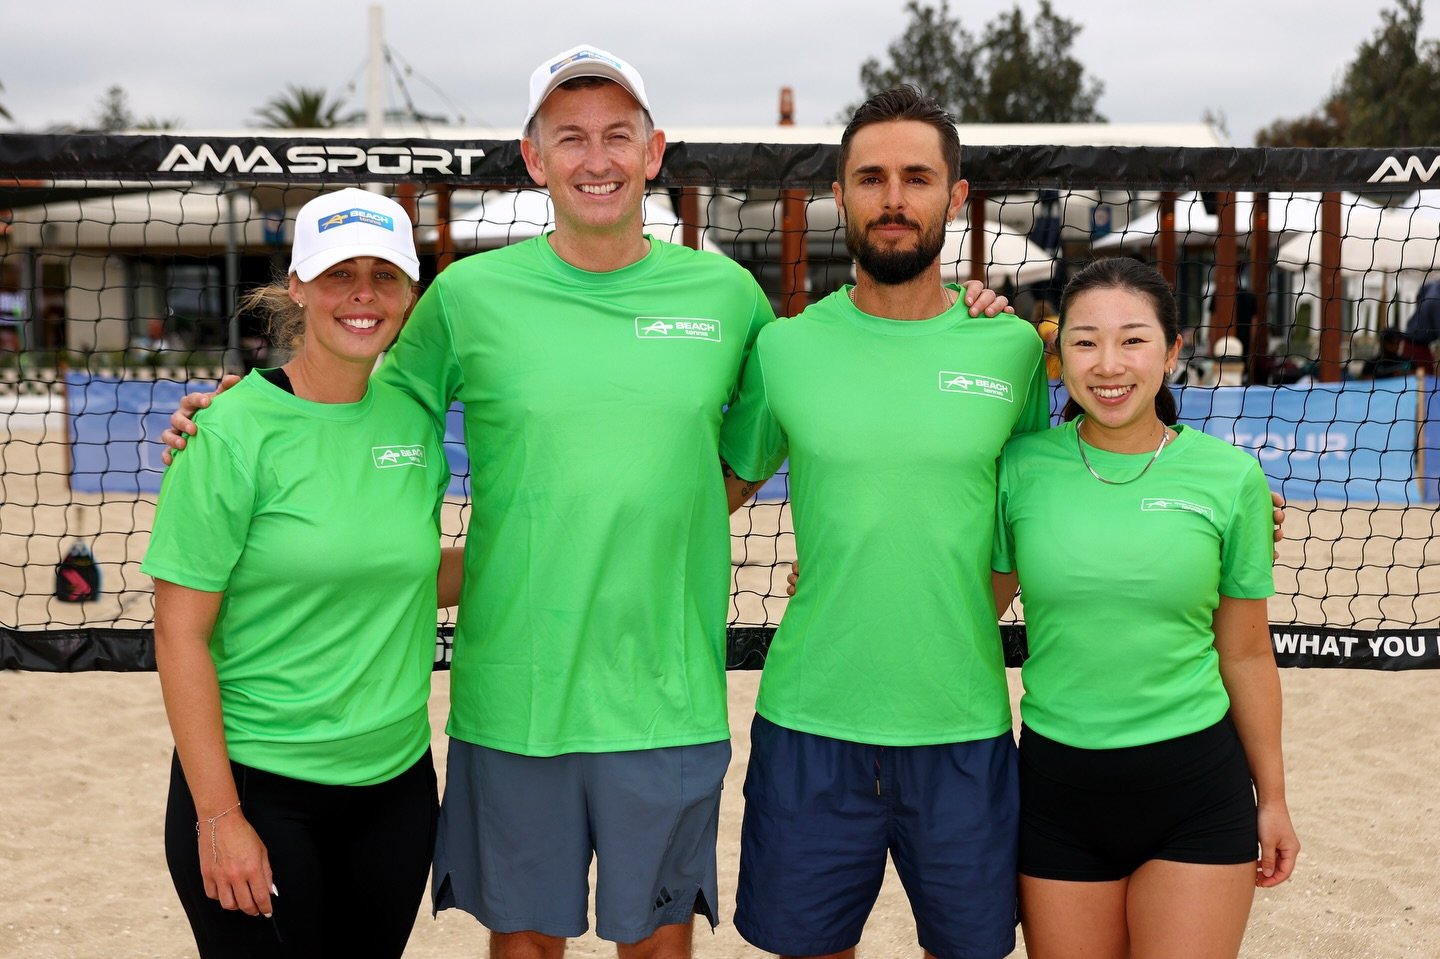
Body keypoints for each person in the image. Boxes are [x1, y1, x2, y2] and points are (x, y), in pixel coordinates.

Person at [156, 49, 1005, 959]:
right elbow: (349, 399)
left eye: (617, 136)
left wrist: (971, 309)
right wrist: (243, 407)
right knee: (525, 943)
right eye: (570, 137)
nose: (595, 158)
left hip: (667, 695)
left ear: (654, 151)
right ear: (534, 157)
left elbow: (763, 443)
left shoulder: (727, 297)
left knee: (658, 943)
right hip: (515, 697)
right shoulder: (467, 298)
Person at [719, 86, 1048, 959]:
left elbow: (1037, 512)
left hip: (962, 725)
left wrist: (1236, 494)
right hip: (811, 721)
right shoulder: (786, 347)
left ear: (957, 197)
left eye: (917, 177)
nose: (893, 198)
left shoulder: (1012, 349)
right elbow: (718, 489)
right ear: (841, 194)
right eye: (871, 178)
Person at [143, 187, 461, 958]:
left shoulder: (415, 422)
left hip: (396, 788)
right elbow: (179, 635)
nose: (362, 294)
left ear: (410, 291)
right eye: (338, 273)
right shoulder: (228, 432)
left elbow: (408, 578)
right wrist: (219, 816)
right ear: (296, 286)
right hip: (260, 787)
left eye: (384, 275)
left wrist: (557, 545)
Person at [992, 257, 1300, 958]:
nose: (1109, 364)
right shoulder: (1019, 468)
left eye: (1133, 340)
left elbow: (1247, 652)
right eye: (1085, 341)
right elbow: (971, 612)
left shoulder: (1230, 478)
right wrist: (838, 579)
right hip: (1057, 791)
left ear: (1171, 351)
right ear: (1060, 354)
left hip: (1196, 791)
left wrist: (1275, 798)